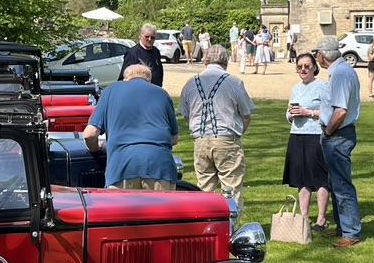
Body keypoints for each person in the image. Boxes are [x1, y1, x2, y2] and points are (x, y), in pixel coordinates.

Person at [180, 44, 254, 211]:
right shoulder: (234, 82)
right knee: (231, 188)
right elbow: (247, 114)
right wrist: (238, 133)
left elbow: (186, 114)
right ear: (225, 61)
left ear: (206, 60)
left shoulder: (191, 83)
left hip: (200, 141)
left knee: (205, 189)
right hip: (227, 139)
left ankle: (207, 227)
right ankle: (230, 228)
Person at [82, 64, 178, 189]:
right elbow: (174, 138)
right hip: (160, 166)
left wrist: (95, 148)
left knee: (121, 209)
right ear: (149, 80)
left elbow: (89, 134)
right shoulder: (162, 94)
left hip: (122, 166)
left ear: (125, 78)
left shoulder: (111, 90)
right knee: (160, 209)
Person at [313, 36, 362, 248]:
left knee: (342, 185)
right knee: (335, 183)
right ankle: (343, 227)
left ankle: (351, 232)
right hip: (338, 134)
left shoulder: (340, 74)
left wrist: (329, 131)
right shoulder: (341, 71)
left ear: (322, 56)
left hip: (338, 135)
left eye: (317, 54)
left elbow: (340, 111)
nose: (316, 57)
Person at [284, 52, 331, 232]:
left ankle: (321, 218)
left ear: (314, 68)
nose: (303, 70)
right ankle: (303, 217)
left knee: (319, 178)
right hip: (297, 135)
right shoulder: (296, 88)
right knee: (301, 179)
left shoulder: (322, 87)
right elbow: (288, 111)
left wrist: (308, 113)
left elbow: (328, 112)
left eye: (307, 66)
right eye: (299, 67)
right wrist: (291, 114)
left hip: (315, 136)